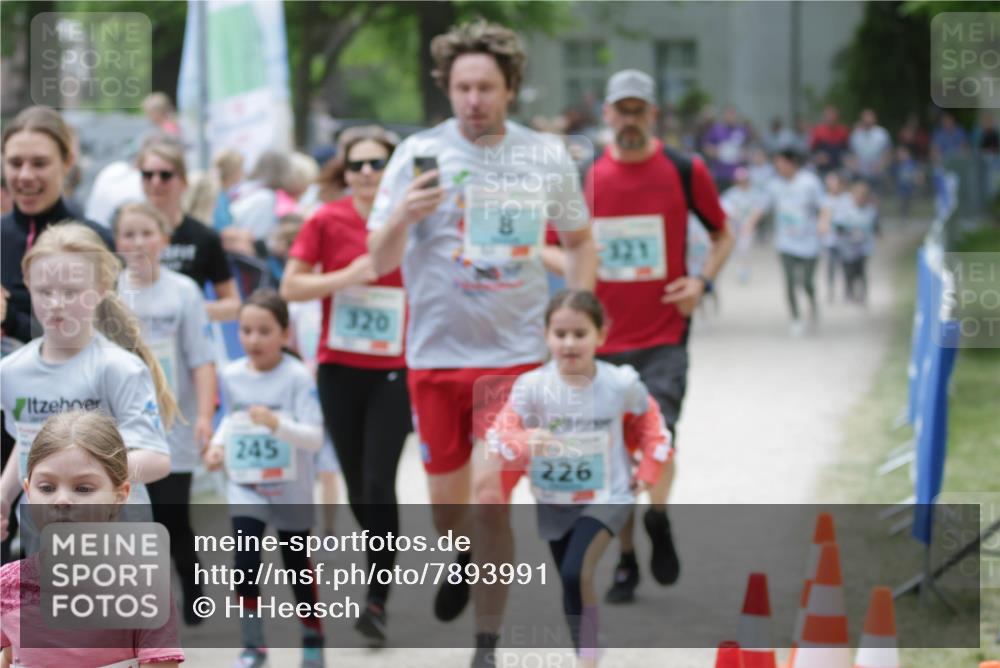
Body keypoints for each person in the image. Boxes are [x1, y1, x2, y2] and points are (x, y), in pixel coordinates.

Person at [366, 20, 597, 668]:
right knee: (449, 508)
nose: (474, 99)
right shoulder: (415, 154)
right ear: (447, 87)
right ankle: (458, 557)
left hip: (515, 359)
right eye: (463, 87)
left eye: (486, 88)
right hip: (435, 358)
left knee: (491, 497)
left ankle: (486, 643)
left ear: (510, 88)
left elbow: (580, 243)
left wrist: (575, 318)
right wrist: (401, 215)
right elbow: (377, 260)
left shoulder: (545, 156)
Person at [581, 69, 732, 604]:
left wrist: (702, 281)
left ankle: (659, 520)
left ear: (652, 114)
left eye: (637, 110)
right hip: (603, 340)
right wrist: (580, 277)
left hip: (665, 333)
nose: (628, 120)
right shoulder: (585, 175)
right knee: (614, 455)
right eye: (620, 110)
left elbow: (722, 233)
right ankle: (626, 559)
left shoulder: (684, 169)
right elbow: (551, 245)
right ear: (606, 115)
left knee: (658, 437)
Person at [486, 290, 672, 667]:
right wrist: (525, 440)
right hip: (554, 501)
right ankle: (588, 647)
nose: (569, 343)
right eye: (560, 333)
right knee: (573, 580)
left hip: (608, 496)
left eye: (580, 333)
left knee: (575, 571)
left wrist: (649, 470)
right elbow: (498, 435)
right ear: (546, 336)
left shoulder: (620, 383)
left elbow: (654, 426)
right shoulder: (531, 387)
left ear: (601, 335)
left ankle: (586, 658)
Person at [281, 125, 409, 646]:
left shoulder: (410, 220)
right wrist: (346, 276)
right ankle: (379, 563)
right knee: (359, 488)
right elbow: (291, 284)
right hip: (338, 368)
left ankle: (376, 598)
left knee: (380, 481)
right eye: (356, 164)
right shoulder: (326, 219)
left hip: (396, 370)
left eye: (377, 164)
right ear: (344, 170)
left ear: (393, 169)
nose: (366, 173)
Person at [0, 222, 174, 550]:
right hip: (45, 543)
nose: (55, 303)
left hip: (118, 544)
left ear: (102, 287)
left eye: (70, 292)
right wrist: (5, 495)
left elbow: (157, 458)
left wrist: (83, 478)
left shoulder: (117, 367)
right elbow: (26, 441)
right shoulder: (11, 371)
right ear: (27, 285)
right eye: (44, 291)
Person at [0, 105, 116, 559]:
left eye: (39, 163)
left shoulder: (90, 238)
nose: (25, 175)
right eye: (14, 163)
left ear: (67, 163)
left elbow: (99, 335)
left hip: (65, 414)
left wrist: (10, 320)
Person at [0, 410, 184, 667]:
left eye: (83, 488)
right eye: (47, 488)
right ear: (29, 492)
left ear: (120, 495)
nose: (62, 500)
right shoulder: (8, 584)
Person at [202, 289, 325, 668]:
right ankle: (253, 644)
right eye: (246, 331)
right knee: (245, 560)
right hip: (247, 486)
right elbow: (231, 421)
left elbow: (315, 437)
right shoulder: (233, 375)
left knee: (296, 566)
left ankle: (312, 636)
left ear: (285, 334)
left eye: (264, 331)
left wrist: (277, 424)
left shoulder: (297, 376)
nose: (253, 340)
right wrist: (217, 446)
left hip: (290, 489)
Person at [114, 201, 217, 625]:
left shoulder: (184, 292)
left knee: (173, 514)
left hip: (174, 422)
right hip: (125, 423)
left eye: (146, 233)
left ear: (164, 240)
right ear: (116, 243)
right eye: (128, 234)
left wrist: (207, 416)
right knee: (133, 515)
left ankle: (192, 591)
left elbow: (201, 359)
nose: (138, 242)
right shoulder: (109, 292)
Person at [138, 135, 241, 322]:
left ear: (183, 182)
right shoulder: (125, 234)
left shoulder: (203, 236)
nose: (155, 182)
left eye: (165, 175)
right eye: (147, 175)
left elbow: (233, 303)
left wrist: (192, 311)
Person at [745, 147, 828, 336]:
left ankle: (812, 305)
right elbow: (761, 206)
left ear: (791, 163)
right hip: (786, 242)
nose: (778, 167)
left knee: (807, 281)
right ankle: (796, 318)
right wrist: (749, 224)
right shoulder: (774, 185)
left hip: (809, 241)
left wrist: (823, 223)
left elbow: (824, 205)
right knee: (789, 281)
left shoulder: (809, 182)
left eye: (780, 163)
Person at [833, 179, 877, 305]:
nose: (860, 198)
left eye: (862, 196)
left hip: (864, 248)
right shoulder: (846, 210)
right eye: (857, 195)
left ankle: (863, 295)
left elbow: (875, 226)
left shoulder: (870, 211)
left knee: (861, 271)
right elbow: (838, 226)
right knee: (849, 271)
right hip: (848, 248)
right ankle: (849, 291)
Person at [721, 166, 760, 283]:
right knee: (735, 250)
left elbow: (758, 210)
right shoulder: (731, 194)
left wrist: (750, 224)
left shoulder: (754, 193)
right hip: (734, 226)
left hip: (747, 226)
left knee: (744, 249)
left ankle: (744, 271)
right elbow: (725, 209)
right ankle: (740, 269)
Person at [849, 109, 892, 194]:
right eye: (865, 118)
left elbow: (888, 153)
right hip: (860, 171)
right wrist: (854, 165)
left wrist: (881, 165)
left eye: (869, 118)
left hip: (877, 171)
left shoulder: (882, 134)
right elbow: (852, 154)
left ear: (874, 119)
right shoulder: (856, 134)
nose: (867, 120)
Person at [820, 170, 847, 302]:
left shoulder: (847, 199)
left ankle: (847, 291)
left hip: (846, 240)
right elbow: (822, 219)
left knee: (846, 266)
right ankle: (831, 290)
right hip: (830, 240)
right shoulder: (825, 200)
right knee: (830, 267)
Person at [809, 106, 850, 172]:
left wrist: (846, 157)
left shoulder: (843, 131)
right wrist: (818, 156)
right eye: (829, 116)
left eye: (833, 116)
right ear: (824, 117)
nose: (831, 118)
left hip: (839, 165)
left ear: (837, 118)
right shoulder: (817, 131)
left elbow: (847, 149)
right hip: (822, 166)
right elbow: (812, 151)